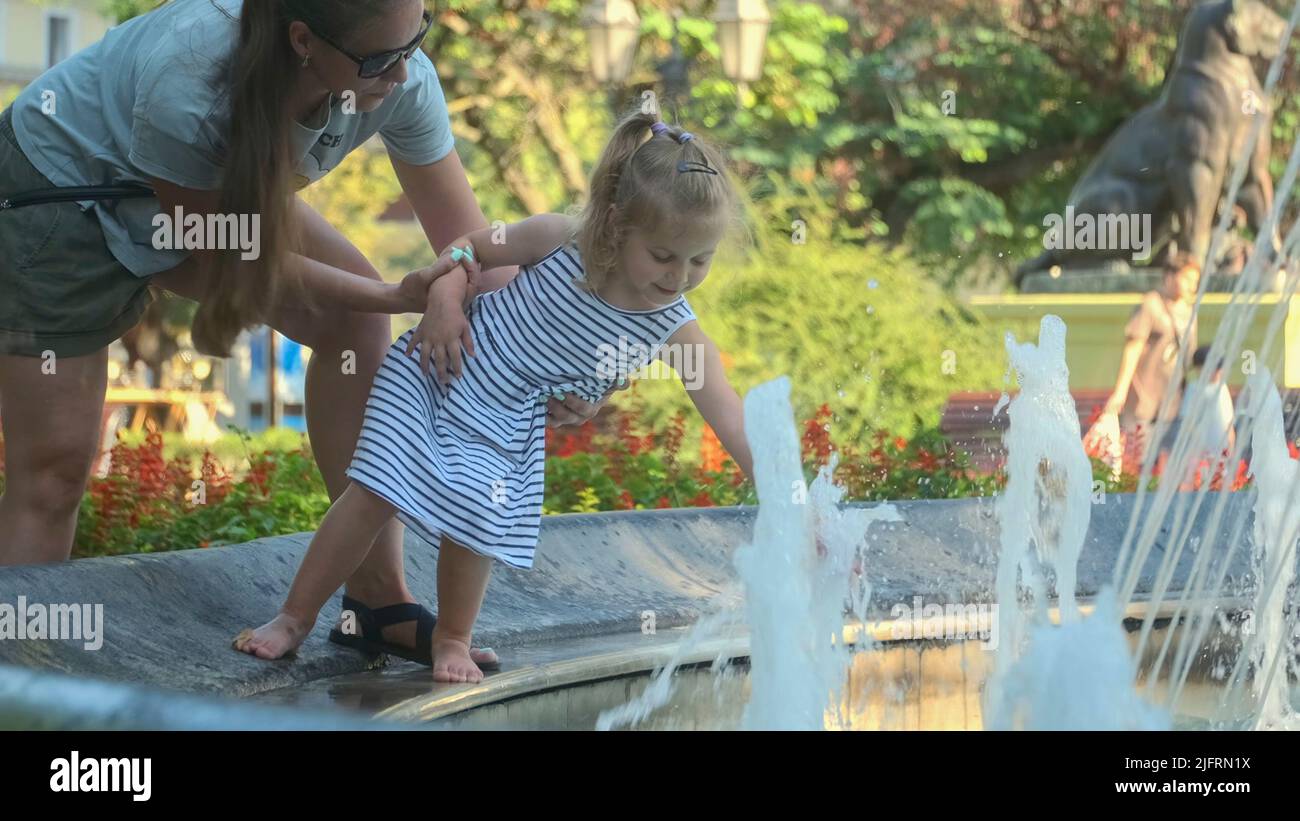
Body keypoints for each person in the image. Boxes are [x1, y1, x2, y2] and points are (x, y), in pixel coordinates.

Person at [0, 0, 606, 668]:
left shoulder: (402, 77)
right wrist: (388, 294)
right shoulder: (191, 82)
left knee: (357, 323)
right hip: (62, 197)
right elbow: (225, 250)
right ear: (302, 42)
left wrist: (553, 365)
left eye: (416, 42)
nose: (403, 74)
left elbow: (470, 245)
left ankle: (375, 600)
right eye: (380, 60)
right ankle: (21, 669)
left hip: (206, 207)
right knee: (52, 470)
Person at [234, 111, 756, 682]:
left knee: (479, 519)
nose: (679, 276)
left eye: (699, 260)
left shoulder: (671, 325)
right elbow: (467, 249)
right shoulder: (562, 239)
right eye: (663, 256)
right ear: (614, 224)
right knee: (375, 490)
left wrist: (785, 495)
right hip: (442, 366)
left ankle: (452, 640)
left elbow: (727, 408)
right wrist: (447, 302)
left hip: (511, 418)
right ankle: (293, 617)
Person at [1086, 256, 1200, 473]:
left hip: (1175, 402)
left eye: (1195, 280)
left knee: (1170, 466)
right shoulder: (1151, 305)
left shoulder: (1189, 311)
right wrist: (1120, 393)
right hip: (1145, 401)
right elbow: (1133, 348)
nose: (1192, 285)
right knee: (1139, 462)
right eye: (1187, 278)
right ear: (1169, 276)